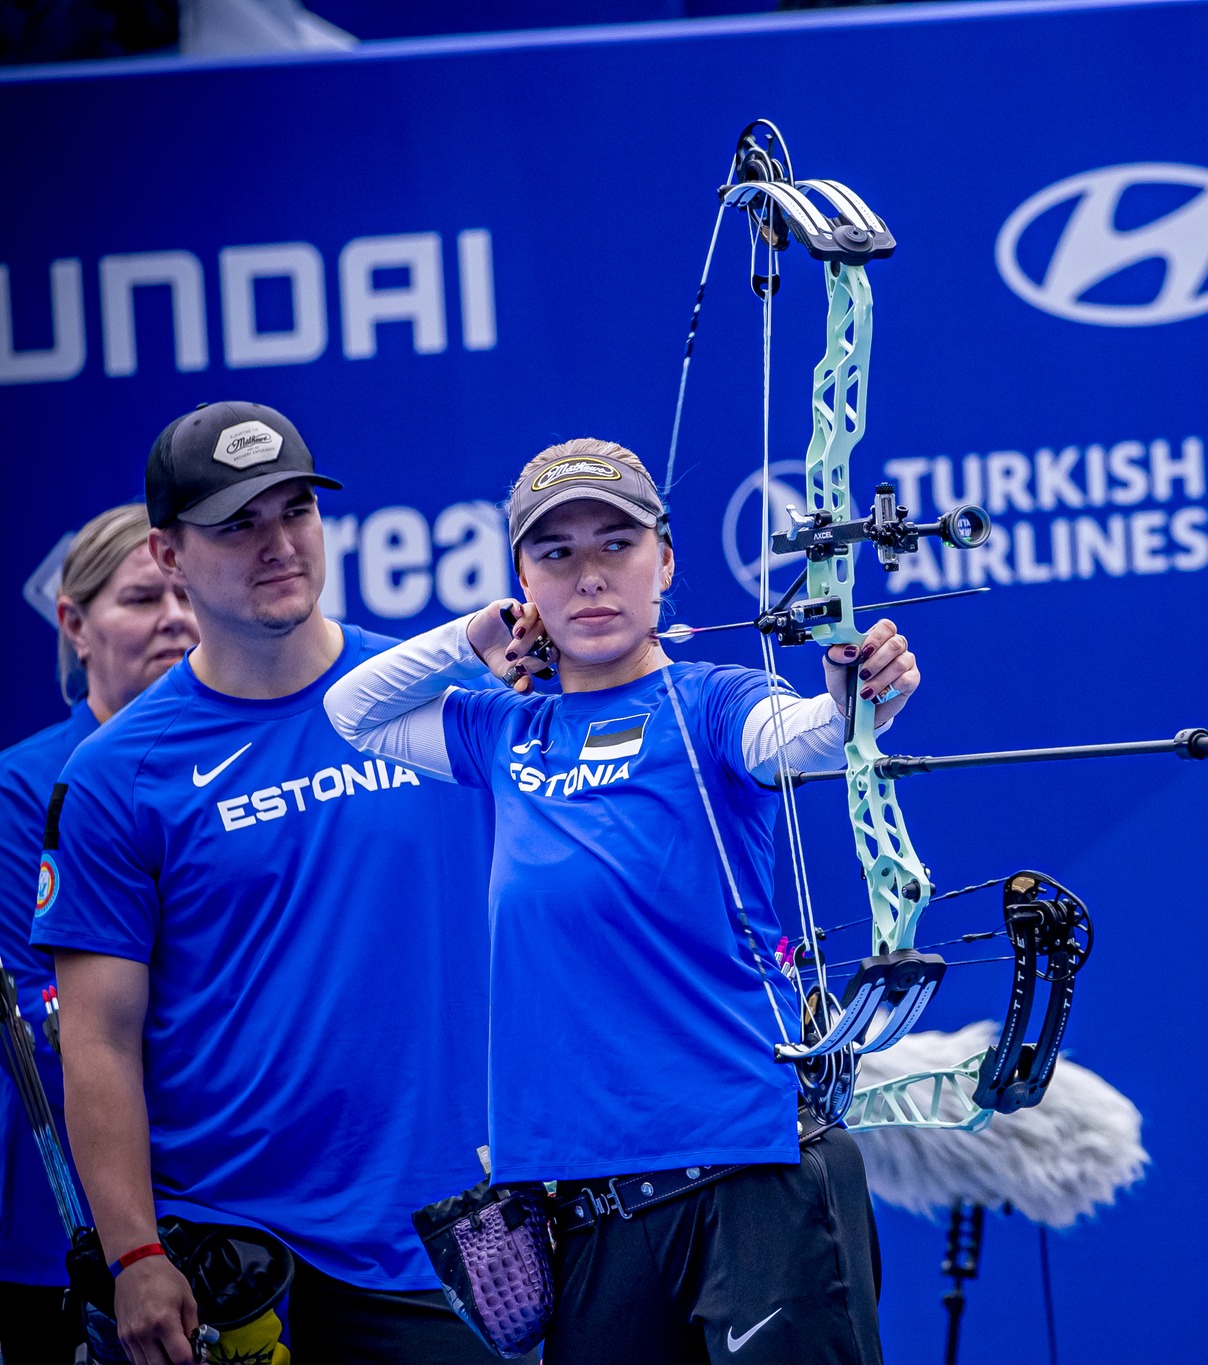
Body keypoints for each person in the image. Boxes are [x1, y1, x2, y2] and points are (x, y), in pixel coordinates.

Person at [325, 439, 904, 1364]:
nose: (589, 576)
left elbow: (800, 737)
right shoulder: (504, 728)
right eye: (556, 553)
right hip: (590, 1208)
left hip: (751, 1181)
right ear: (523, 579)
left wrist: (852, 698)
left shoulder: (715, 702)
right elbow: (352, 712)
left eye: (617, 545)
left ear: (665, 562)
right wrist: (481, 634)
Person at [31, 401, 508, 1365]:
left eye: (294, 511)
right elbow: (96, 1039)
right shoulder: (118, 773)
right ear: (168, 554)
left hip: (443, 1246)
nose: (277, 543)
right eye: (237, 522)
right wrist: (133, 1253)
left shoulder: (446, 701)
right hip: (236, 1270)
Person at [0, 503, 197, 1365]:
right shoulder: (28, 785)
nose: (177, 621)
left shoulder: (226, 764)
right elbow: (47, 1015)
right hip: (66, 1226)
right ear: (75, 625)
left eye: (186, 596)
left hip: (226, 1199)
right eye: (144, 598)